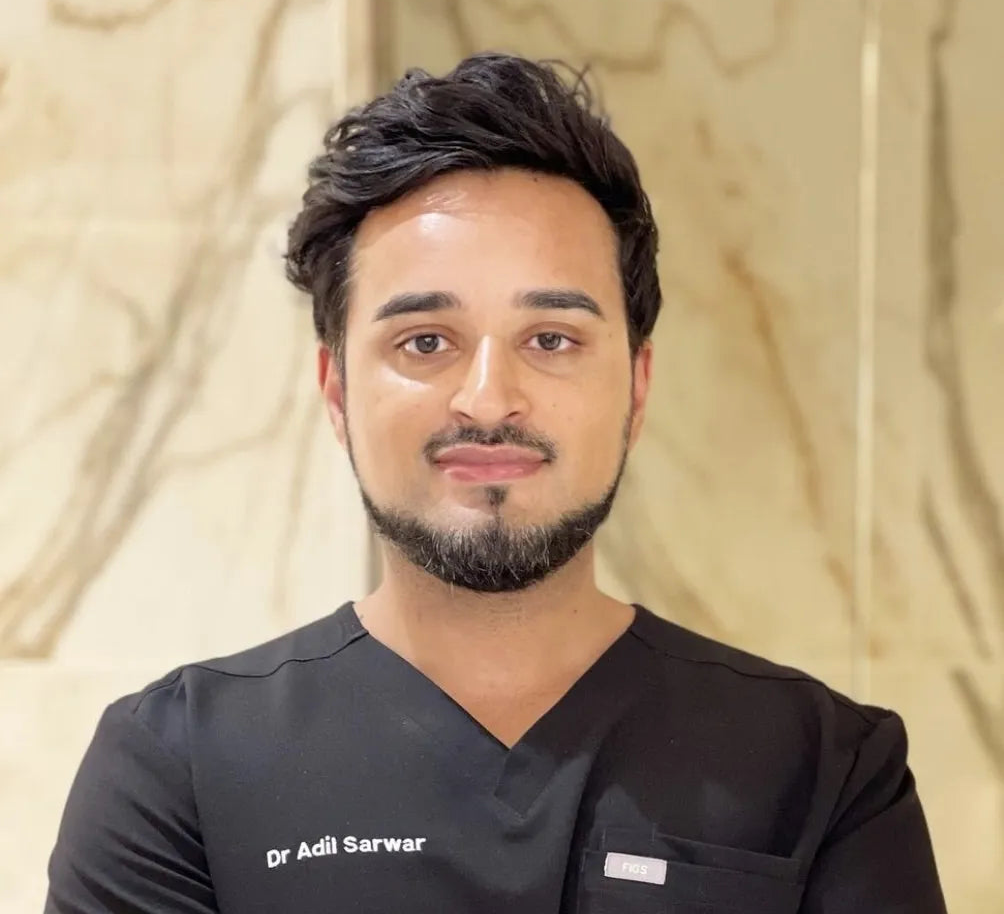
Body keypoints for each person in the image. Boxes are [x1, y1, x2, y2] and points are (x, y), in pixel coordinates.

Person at [45, 53, 946, 913]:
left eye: (551, 338)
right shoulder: (181, 772)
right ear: (337, 390)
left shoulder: (824, 769)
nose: (488, 398)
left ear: (635, 387)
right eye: (425, 341)